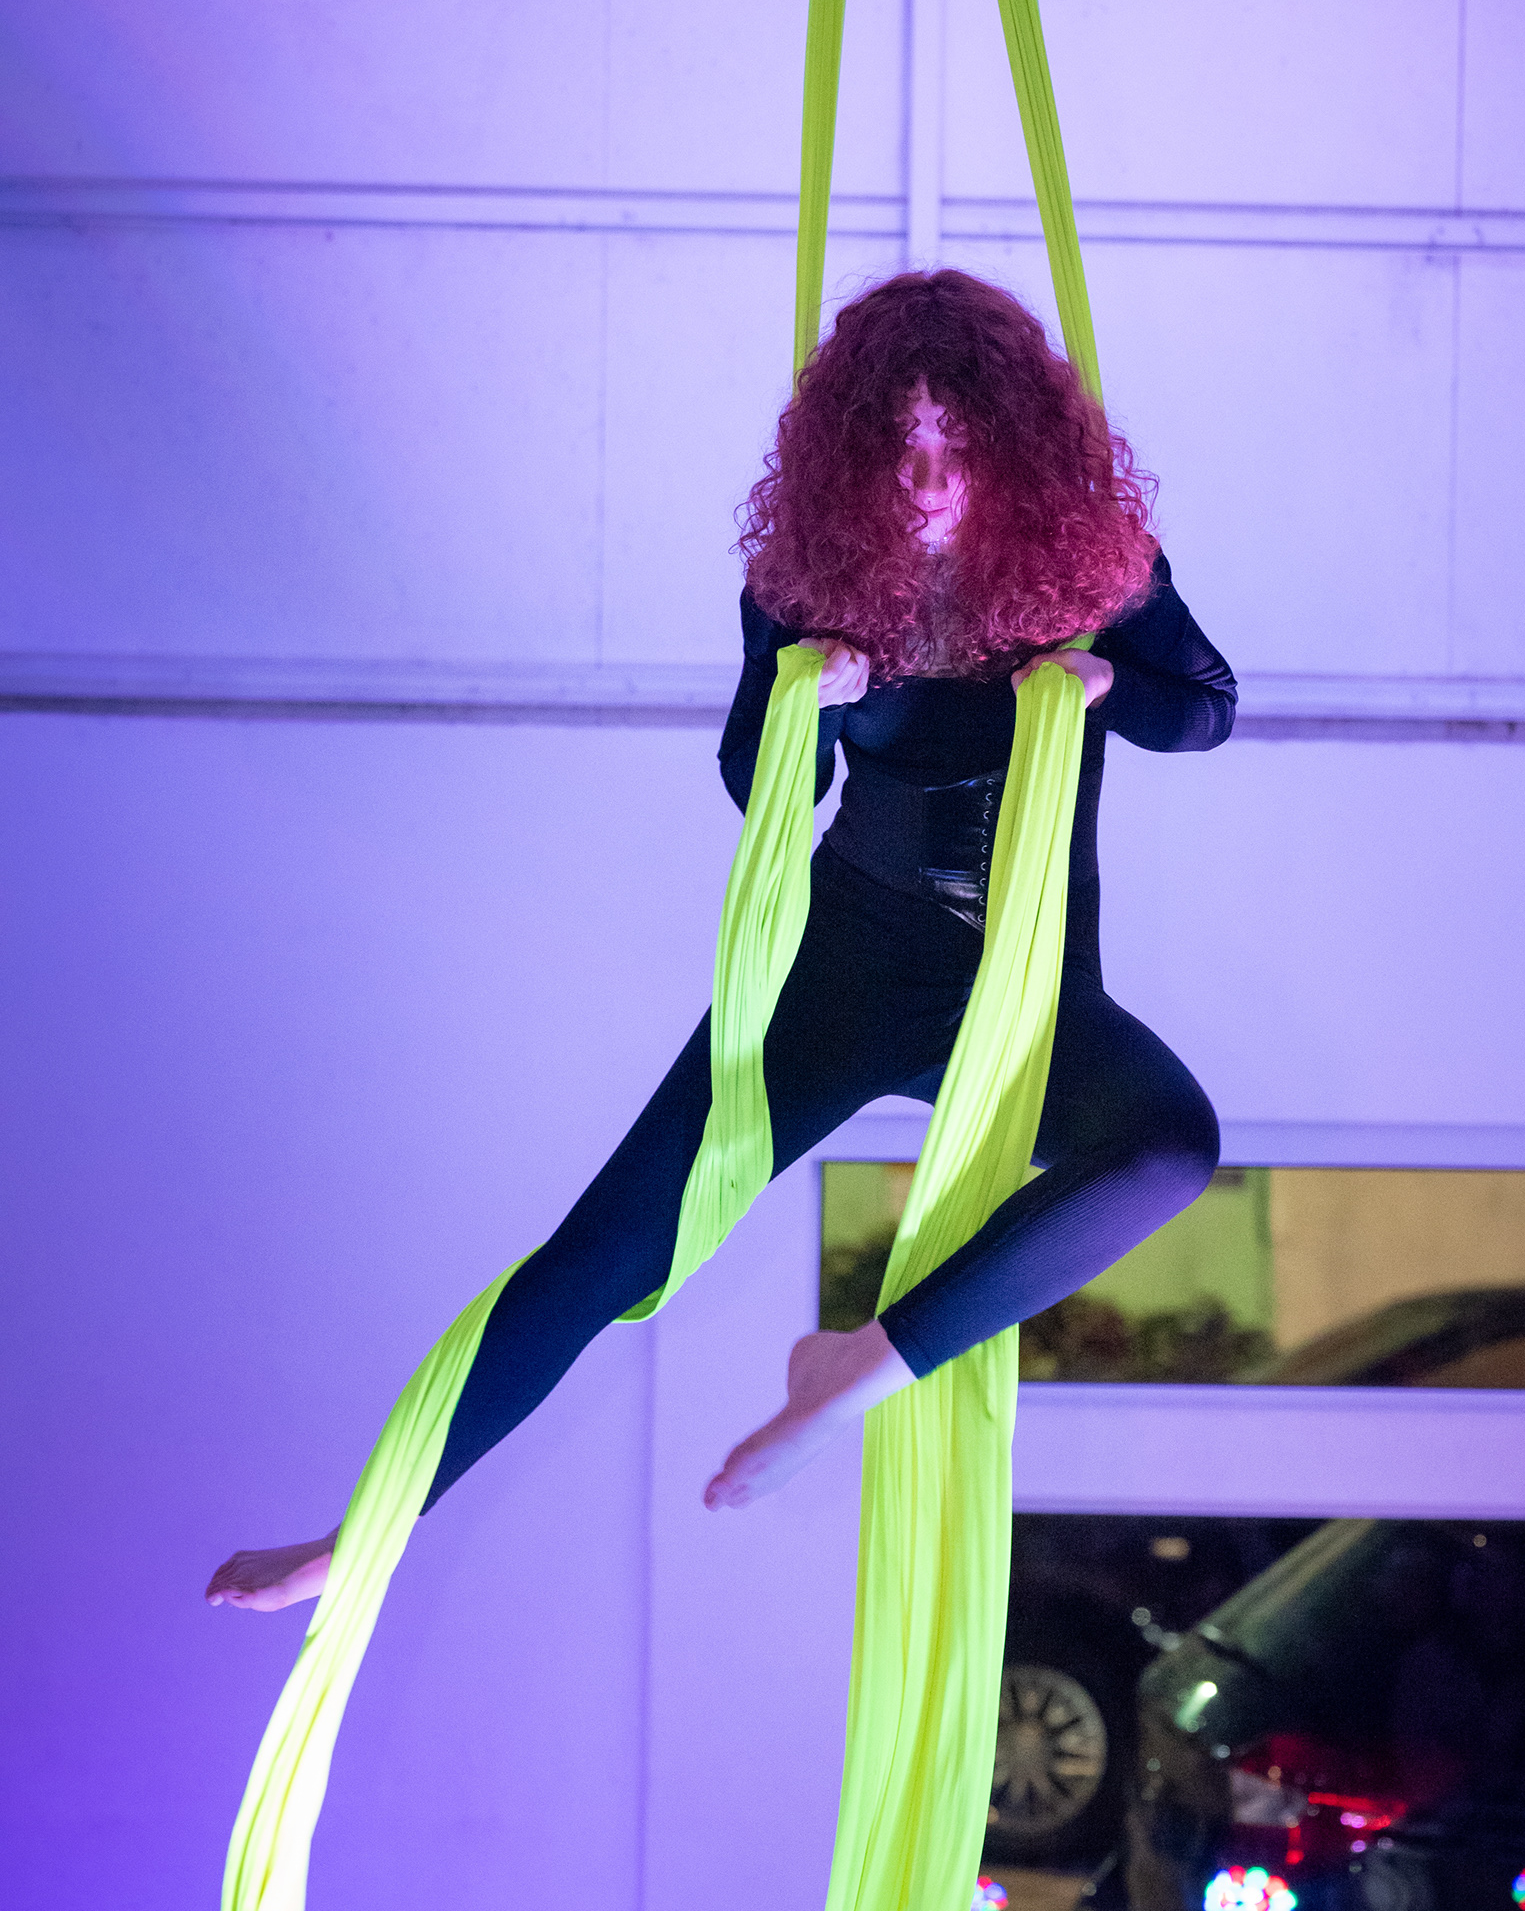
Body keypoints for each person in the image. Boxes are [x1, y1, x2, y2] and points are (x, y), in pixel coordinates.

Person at [206, 271, 1236, 1613]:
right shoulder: (807, 580)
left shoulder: (1094, 566)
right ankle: (365, 1536)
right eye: (900, 444)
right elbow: (761, 788)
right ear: (855, 451)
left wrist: (1104, 679)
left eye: (957, 442)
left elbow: (1204, 709)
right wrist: (818, 701)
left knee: (1168, 1148)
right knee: (604, 1250)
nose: (928, 480)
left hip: (1022, 975)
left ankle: (859, 1366)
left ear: (1012, 444)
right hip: (847, 966)